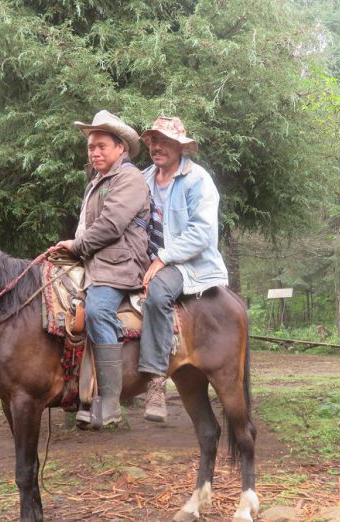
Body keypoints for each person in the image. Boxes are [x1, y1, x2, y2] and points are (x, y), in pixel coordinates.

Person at [55, 110, 150, 427]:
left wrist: (77, 246)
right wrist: (68, 250)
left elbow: (111, 225)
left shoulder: (129, 179)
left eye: (102, 146)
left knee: (96, 311)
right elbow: (86, 226)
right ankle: (80, 395)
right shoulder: (96, 182)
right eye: (90, 147)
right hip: (94, 261)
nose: (94, 152)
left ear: (120, 147)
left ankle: (110, 400)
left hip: (120, 264)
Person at [139, 116, 229, 423]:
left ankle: (155, 382)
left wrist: (163, 258)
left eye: (164, 141)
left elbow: (202, 233)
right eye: (153, 141)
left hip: (189, 263)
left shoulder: (198, 180)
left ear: (180, 147)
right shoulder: (144, 178)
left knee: (157, 294)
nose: (157, 147)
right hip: (148, 259)